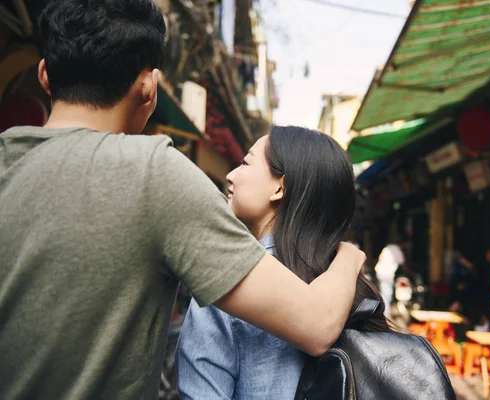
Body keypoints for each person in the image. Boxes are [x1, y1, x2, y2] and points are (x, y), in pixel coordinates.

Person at [0, 2, 366, 399]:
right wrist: (350, 255)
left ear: (44, 75)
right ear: (148, 86)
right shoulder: (155, 174)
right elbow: (315, 325)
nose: (229, 175)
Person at [177, 126, 390, 399]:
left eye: (245, 163)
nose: (230, 175)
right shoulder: (350, 282)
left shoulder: (228, 288)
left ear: (280, 188)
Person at [374, 239, 408, 318]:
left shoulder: (388, 247)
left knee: (383, 292)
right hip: (387, 273)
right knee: (387, 293)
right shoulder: (398, 250)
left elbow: (380, 257)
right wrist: (410, 273)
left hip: (380, 272)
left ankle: (384, 312)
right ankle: (386, 314)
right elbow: (403, 264)